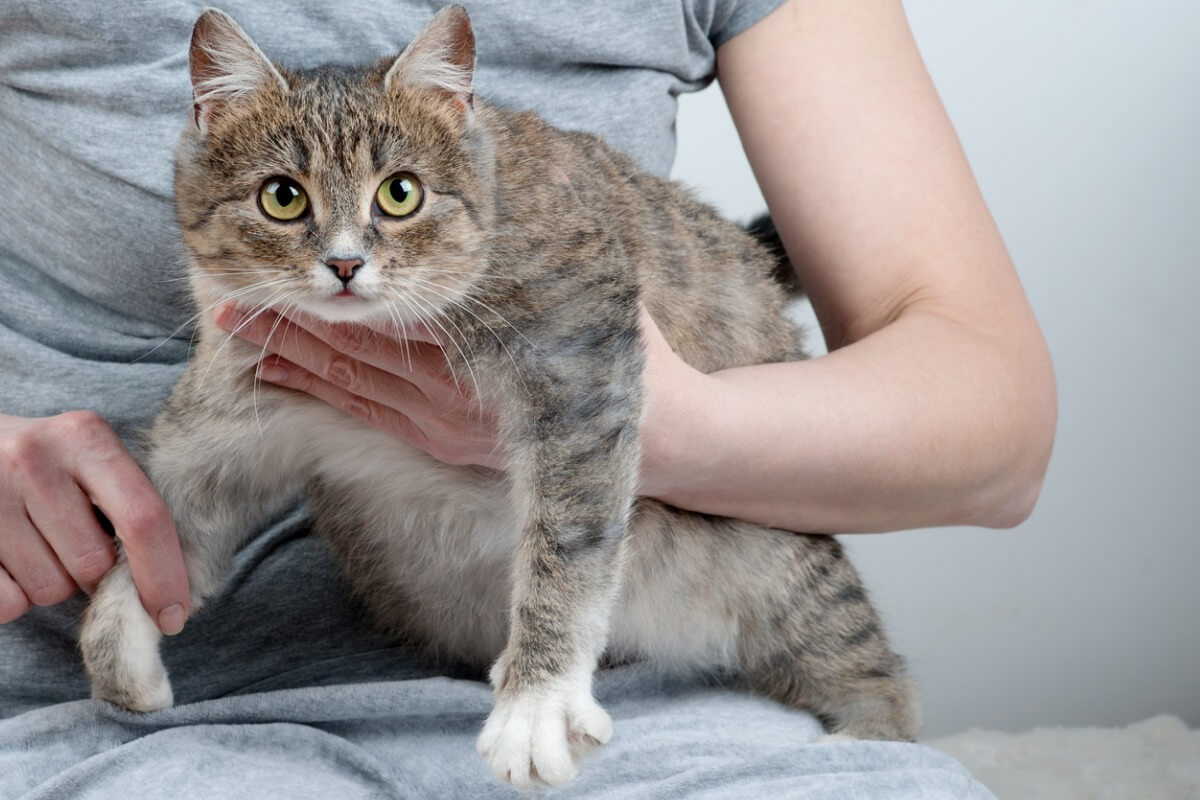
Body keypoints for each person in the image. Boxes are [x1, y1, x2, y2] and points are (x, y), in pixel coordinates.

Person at [0, 0, 1050, 796]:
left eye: (395, 197)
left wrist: (652, 428)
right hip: (163, 722)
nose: (345, 254)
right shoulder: (252, 262)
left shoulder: (513, 224)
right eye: (288, 201)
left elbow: (1001, 438)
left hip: (629, 681)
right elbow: (214, 446)